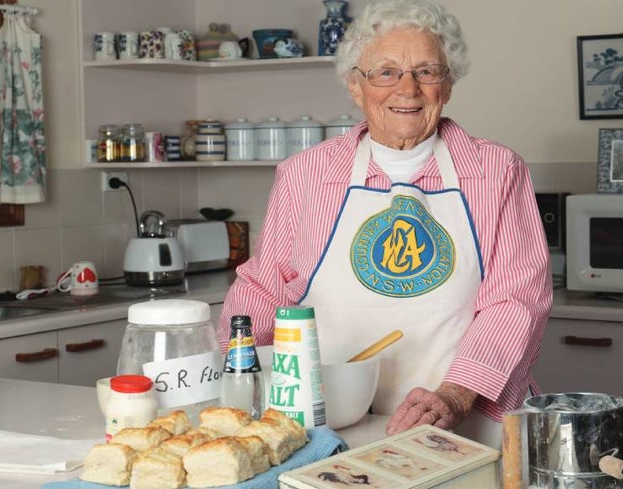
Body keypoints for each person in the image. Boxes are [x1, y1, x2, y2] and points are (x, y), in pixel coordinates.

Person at [217, 0, 552, 448]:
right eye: (386, 72)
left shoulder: (495, 170)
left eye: (427, 72)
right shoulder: (306, 173)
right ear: (356, 86)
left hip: (465, 419)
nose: (408, 89)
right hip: (329, 417)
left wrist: (456, 394)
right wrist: (234, 377)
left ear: (447, 86)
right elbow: (265, 286)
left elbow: (516, 299)